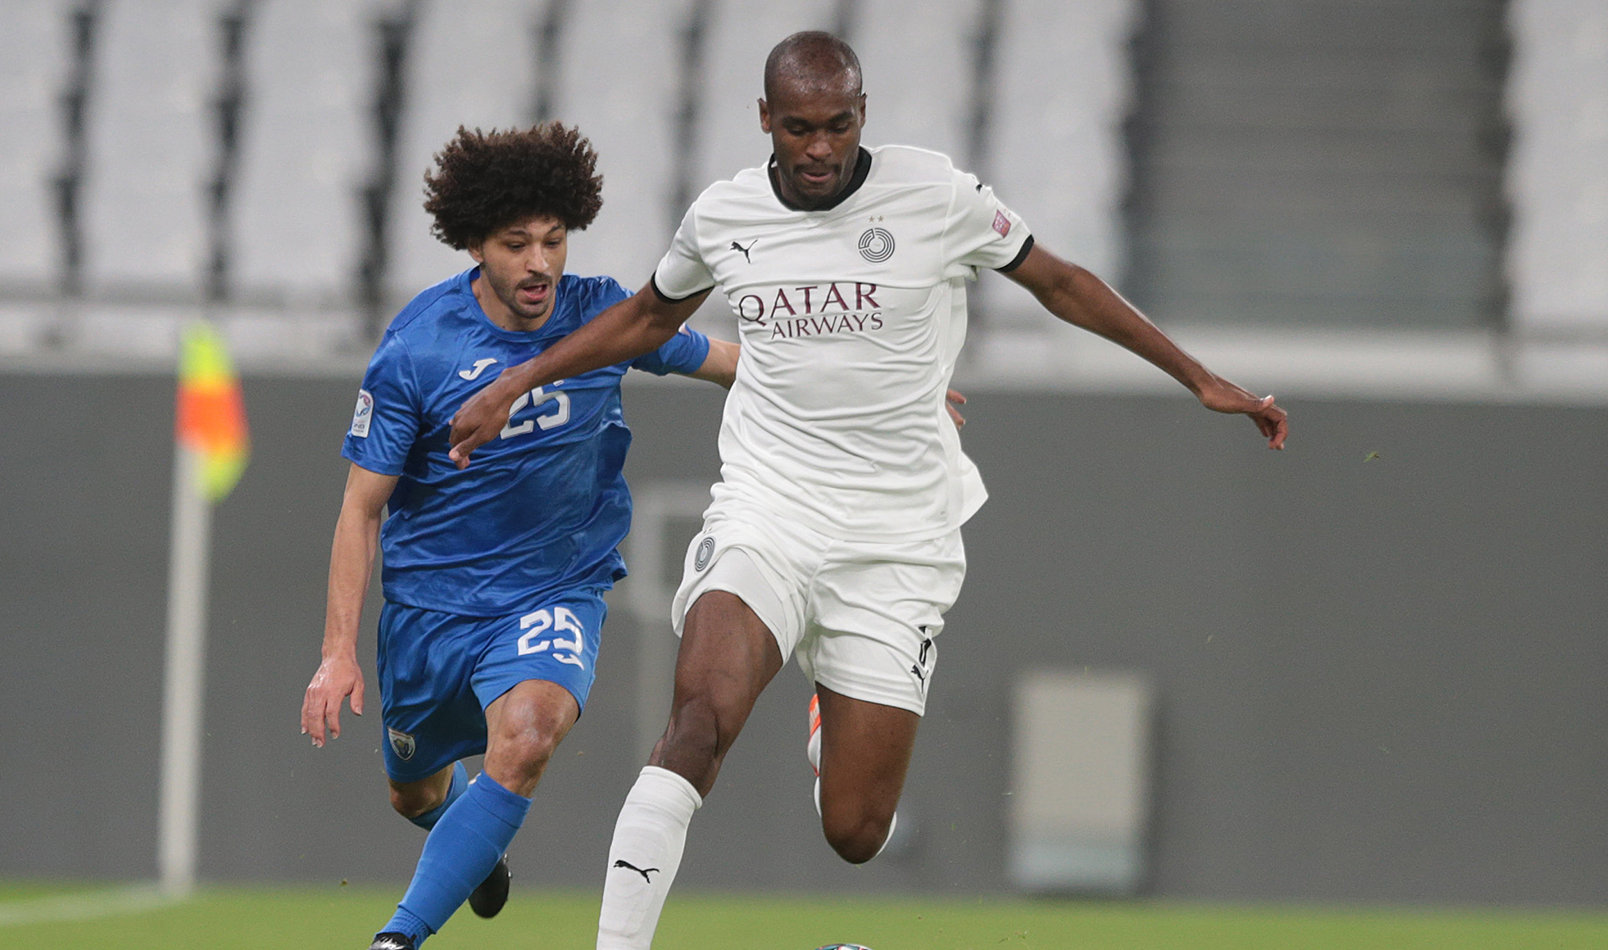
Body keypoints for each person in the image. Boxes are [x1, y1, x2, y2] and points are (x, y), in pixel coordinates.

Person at [448, 33, 1290, 950]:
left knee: (856, 831)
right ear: (765, 120)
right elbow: (650, 317)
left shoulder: (936, 195)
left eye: (839, 125)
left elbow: (1062, 282)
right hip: (769, 509)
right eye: (799, 128)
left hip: (898, 541)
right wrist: (515, 381)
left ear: (863, 115)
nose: (819, 148)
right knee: (696, 724)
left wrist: (1199, 377)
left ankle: (830, 707)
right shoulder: (725, 214)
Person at [298, 122, 738, 950]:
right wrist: (338, 651)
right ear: (475, 244)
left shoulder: (603, 316)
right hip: (431, 612)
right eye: (515, 244)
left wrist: (878, 391)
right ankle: (473, 845)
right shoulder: (415, 352)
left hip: (553, 588)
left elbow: (724, 357)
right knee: (413, 795)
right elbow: (361, 509)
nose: (540, 263)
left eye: (553, 240)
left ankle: (397, 938)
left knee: (530, 736)